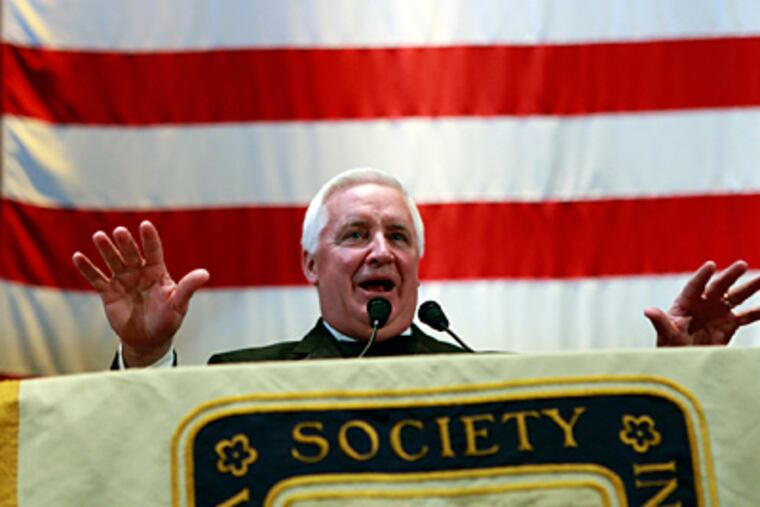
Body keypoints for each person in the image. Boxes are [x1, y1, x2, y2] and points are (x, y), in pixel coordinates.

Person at [72, 169, 760, 368]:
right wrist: (145, 352)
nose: (381, 251)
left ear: (418, 265)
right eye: (356, 234)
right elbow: (150, 468)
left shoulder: (489, 379)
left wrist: (686, 375)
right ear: (310, 261)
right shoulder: (243, 375)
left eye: (398, 236)